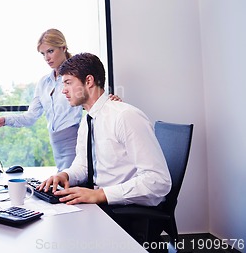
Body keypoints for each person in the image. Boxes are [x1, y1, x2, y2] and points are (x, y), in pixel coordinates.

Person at [38, 52, 171, 244]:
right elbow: (83, 166)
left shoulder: (125, 117)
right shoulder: (88, 119)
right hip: (102, 204)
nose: (63, 90)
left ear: (89, 81)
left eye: (67, 82)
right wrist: (65, 175)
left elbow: (158, 181)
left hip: (126, 211)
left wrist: (100, 194)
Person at [0, 29, 120, 171]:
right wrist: (4, 121)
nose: (47, 58)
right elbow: (30, 117)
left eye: (50, 51)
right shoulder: (44, 83)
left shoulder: (76, 77)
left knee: (73, 181)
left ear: (63, 48)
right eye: (43, 54)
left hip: (73, 138)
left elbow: (95, 97)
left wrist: (110, 101)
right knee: (62, 183)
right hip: (55, 143)